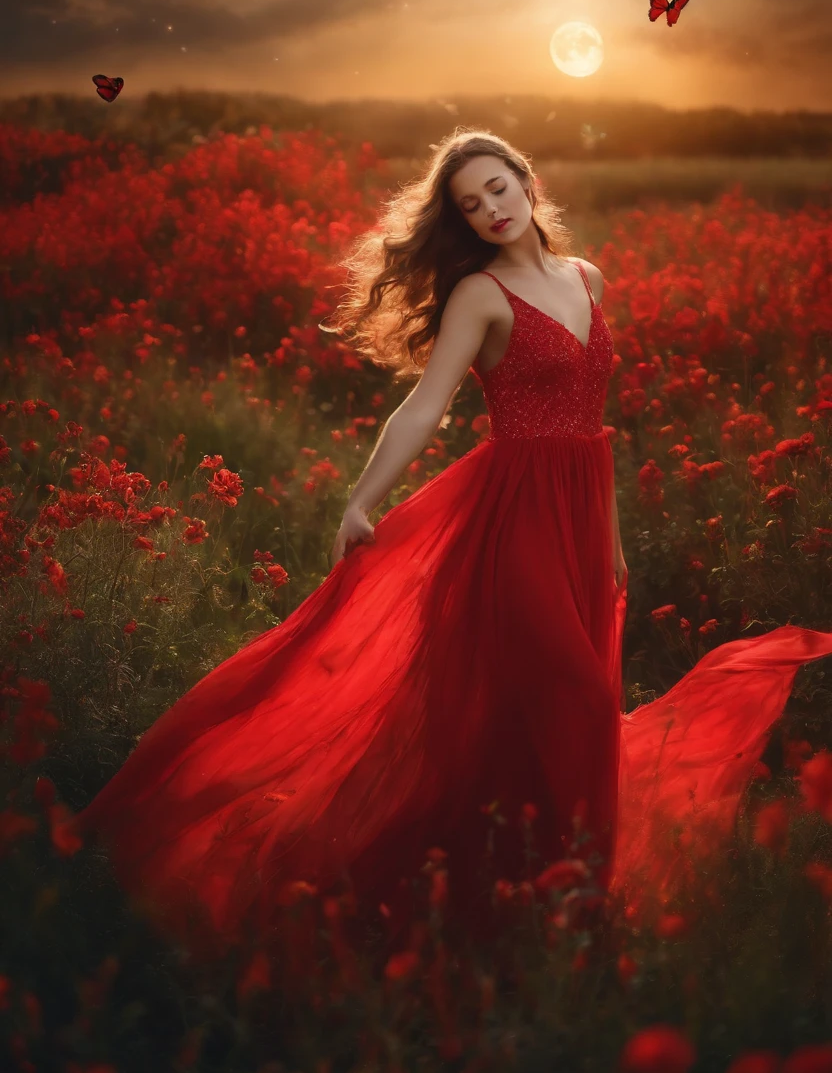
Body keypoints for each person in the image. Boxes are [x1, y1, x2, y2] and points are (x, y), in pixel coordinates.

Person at [71, 129, 832, 961]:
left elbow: (590, 422)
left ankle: (547, 904)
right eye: (470, 204)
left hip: (581, 518)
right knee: (575, 699)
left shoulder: (587, 278)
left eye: (498, 188)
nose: (490, 209)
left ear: (527, 183)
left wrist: (610, 540)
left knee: (535, 726)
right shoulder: (480, 295)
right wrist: (362, 498)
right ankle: (542, 902)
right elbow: (424, 409)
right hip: (511, 523)